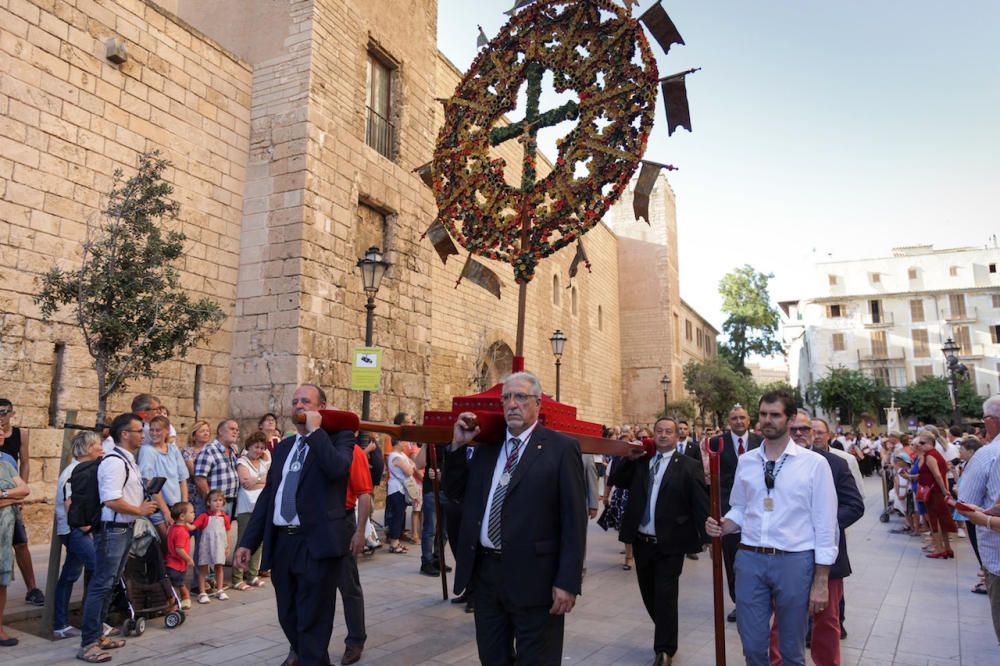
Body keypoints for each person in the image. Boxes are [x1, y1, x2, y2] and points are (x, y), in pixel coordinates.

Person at [451, 371, 587, 665]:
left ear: (538, 404)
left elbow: (574, 522)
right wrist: (458, 447)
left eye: (521, 397)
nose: (512, 404)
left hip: (536, 580)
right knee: (492, 657)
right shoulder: (488, 448)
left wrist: (567, 581)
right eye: (507, 398)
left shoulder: (561, 449)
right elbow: (455, 493)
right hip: (487, 577)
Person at [705, 391, 838, 666]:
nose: (767, 420)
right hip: (750, 559)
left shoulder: (814, 464)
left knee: (790, 651)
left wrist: (821, 581)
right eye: (764, 414)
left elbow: (825, 524)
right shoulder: (747, 460)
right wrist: (723, 525)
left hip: (794, 561)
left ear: (790, 419)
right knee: (752, 648)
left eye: (775, 414)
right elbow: (740, 508)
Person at [235, 383, 355, 666]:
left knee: (313, 621)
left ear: (320, 408)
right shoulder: (284, 447)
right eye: (295, 402)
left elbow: (338, 470)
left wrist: (316, 432)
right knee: (288, 616)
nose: (299, 406)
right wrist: (248, 542)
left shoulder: (339, 439)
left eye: (306, 402)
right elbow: (268, 497)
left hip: (316, 545)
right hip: (283, 544)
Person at [610, 416, 709, 665]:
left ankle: (664, 649)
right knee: (648, 594)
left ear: (677, 437)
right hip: (642, 541)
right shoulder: (641, 462)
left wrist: (706, 535)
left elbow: (699, 502)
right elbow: (617, 480)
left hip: (670, 542)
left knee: (666, 594)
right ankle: (667, 628)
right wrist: (628, 458)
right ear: (654, 434)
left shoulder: (688, 465)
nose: (663, 435)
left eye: (669, 432)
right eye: (659, 431)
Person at [769, 412, 864, 665]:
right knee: (783, 620)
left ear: (814, 434)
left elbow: (854, 506)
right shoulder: (773, 463)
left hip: (826, 558)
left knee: (826, 621)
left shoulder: (835, 464)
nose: (799, 433)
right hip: (786, 557)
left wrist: (819, 527)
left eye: (804, 429)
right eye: (794, 429)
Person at [78, 413, 158, 664]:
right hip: (113, 529)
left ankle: (99, 636)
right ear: (124, 434)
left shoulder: (127, 460)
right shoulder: (114, 462)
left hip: (122, 528)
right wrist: (140, 510)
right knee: (102, 584)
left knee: (110, 583)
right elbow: (111, 499)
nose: (142, 435)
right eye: (138, 431)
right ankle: (88, 643)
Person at [707, 404, 763, 621]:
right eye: (734, 418)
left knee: (756, 558)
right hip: (728, 512)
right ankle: (738, 603)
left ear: (749, 420)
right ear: (728, 422)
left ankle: (759, 601)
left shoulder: (761, 442)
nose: (738, 421)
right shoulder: (716, 443)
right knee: (731, 559)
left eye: (742, 417)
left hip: (757, 511)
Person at [52, 430, 104, 640]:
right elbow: (69, 504)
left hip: (79, 529)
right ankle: (94, 623)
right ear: (88, 449)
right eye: (98, 445)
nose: (101, 449)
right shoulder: (74, 472)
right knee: (98, 571)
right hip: (75, 529)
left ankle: (61, 623)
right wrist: (86, 528)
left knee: (70, 574)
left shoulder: (84, 468)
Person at [334, 434, 374, 665]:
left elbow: (364, 492)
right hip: (315, 526)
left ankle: (356, 640)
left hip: (342, 522)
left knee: (349, 585)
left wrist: (360, 531)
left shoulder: (353, 451)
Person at [0, 398, 44, 607]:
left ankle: (32, 588)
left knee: (21, 542)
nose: (1, 417)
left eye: (4, 412)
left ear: (12, 413)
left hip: (13, 492)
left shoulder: (20, 434)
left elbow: (24, 461)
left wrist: (21, 492)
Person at [138, 415, 189, 544]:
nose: (154, 433)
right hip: (159, 507)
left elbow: (182, 478)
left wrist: (184, 506)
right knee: (168, 546)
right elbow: (150, 483)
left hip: (176, 506)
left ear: (166, 431)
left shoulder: (173, 449)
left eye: (158, 430)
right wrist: (166, 512)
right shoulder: (147, 450)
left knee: (180, 545)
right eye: (152, 430)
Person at [0, 440, 30, 647]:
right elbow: (17, 493)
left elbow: (24, 490)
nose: (2, 432)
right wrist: (13, 496)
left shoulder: (6, 464)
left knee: (1, 583)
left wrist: (3, 495)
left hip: (4, 534)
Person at [232, 432, 270, 590]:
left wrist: (257, 480)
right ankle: (237, 577)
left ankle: (252, 575)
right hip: (247, 506)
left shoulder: (263, 462)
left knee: (258, 542)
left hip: (261, 506)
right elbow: (246, 484)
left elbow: (269, 482)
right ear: (249, 446)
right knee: (243, 540)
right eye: (256, 446)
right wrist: (262, 480)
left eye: (262, 447)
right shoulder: (243, 462)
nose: (259, 450)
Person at [914, 430, 958, 558]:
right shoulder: (935, 454)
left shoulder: (930, 455)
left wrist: (944, 490)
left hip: (934, 493)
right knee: (942, 519)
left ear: (930, 443)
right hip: (937, 491)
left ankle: (939, 549)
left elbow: (937, 475)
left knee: (935, 521)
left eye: (922, 443)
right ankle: (947, 548)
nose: (920, 445)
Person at [193, 419, 241, 518]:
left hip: (230, 501)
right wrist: (210, 500)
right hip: (214, 504)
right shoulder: (209, 451)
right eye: (232, 429)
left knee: (223, 533)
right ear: (220, 431)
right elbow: (199, 478)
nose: (235, 432)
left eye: (237, 430)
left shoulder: (232, 452)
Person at [193, 489, 232, 603]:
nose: (218, 503)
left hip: (220, 545)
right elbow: (194, 526)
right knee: (203, 568)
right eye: (215, 500)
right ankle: (202, 592)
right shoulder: (204, 516)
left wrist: (228, 546)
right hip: (206, 545)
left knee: (219, 567)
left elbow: (228, 531)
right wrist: (183, 524)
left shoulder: (225, 517)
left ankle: (220, 590)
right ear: (208, 503)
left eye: (220, 500)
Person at [385, 433, 417, 554]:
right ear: (398, 442)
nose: (406, 443)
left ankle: (396, 541)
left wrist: (411, 466)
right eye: (404, 441)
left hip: (401, 489)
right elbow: (409, 471)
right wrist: (411, 466)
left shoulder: (401, 455)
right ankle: (393, 543)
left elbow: (412, 465)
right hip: (396, 489)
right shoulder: (395, 456)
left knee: (400, 515)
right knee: (397, 516)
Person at [165, 501, 195, 610]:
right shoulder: (181, 532)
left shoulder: (174, 527)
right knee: (174, 586)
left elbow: (190, 527)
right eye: (191, 512)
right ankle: (173, 605)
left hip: (172, 562)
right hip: (177, 564)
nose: (193, 514)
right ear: (182, 516)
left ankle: (183, 599)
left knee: (178, 583)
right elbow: (179, 549)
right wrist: (188, 559)